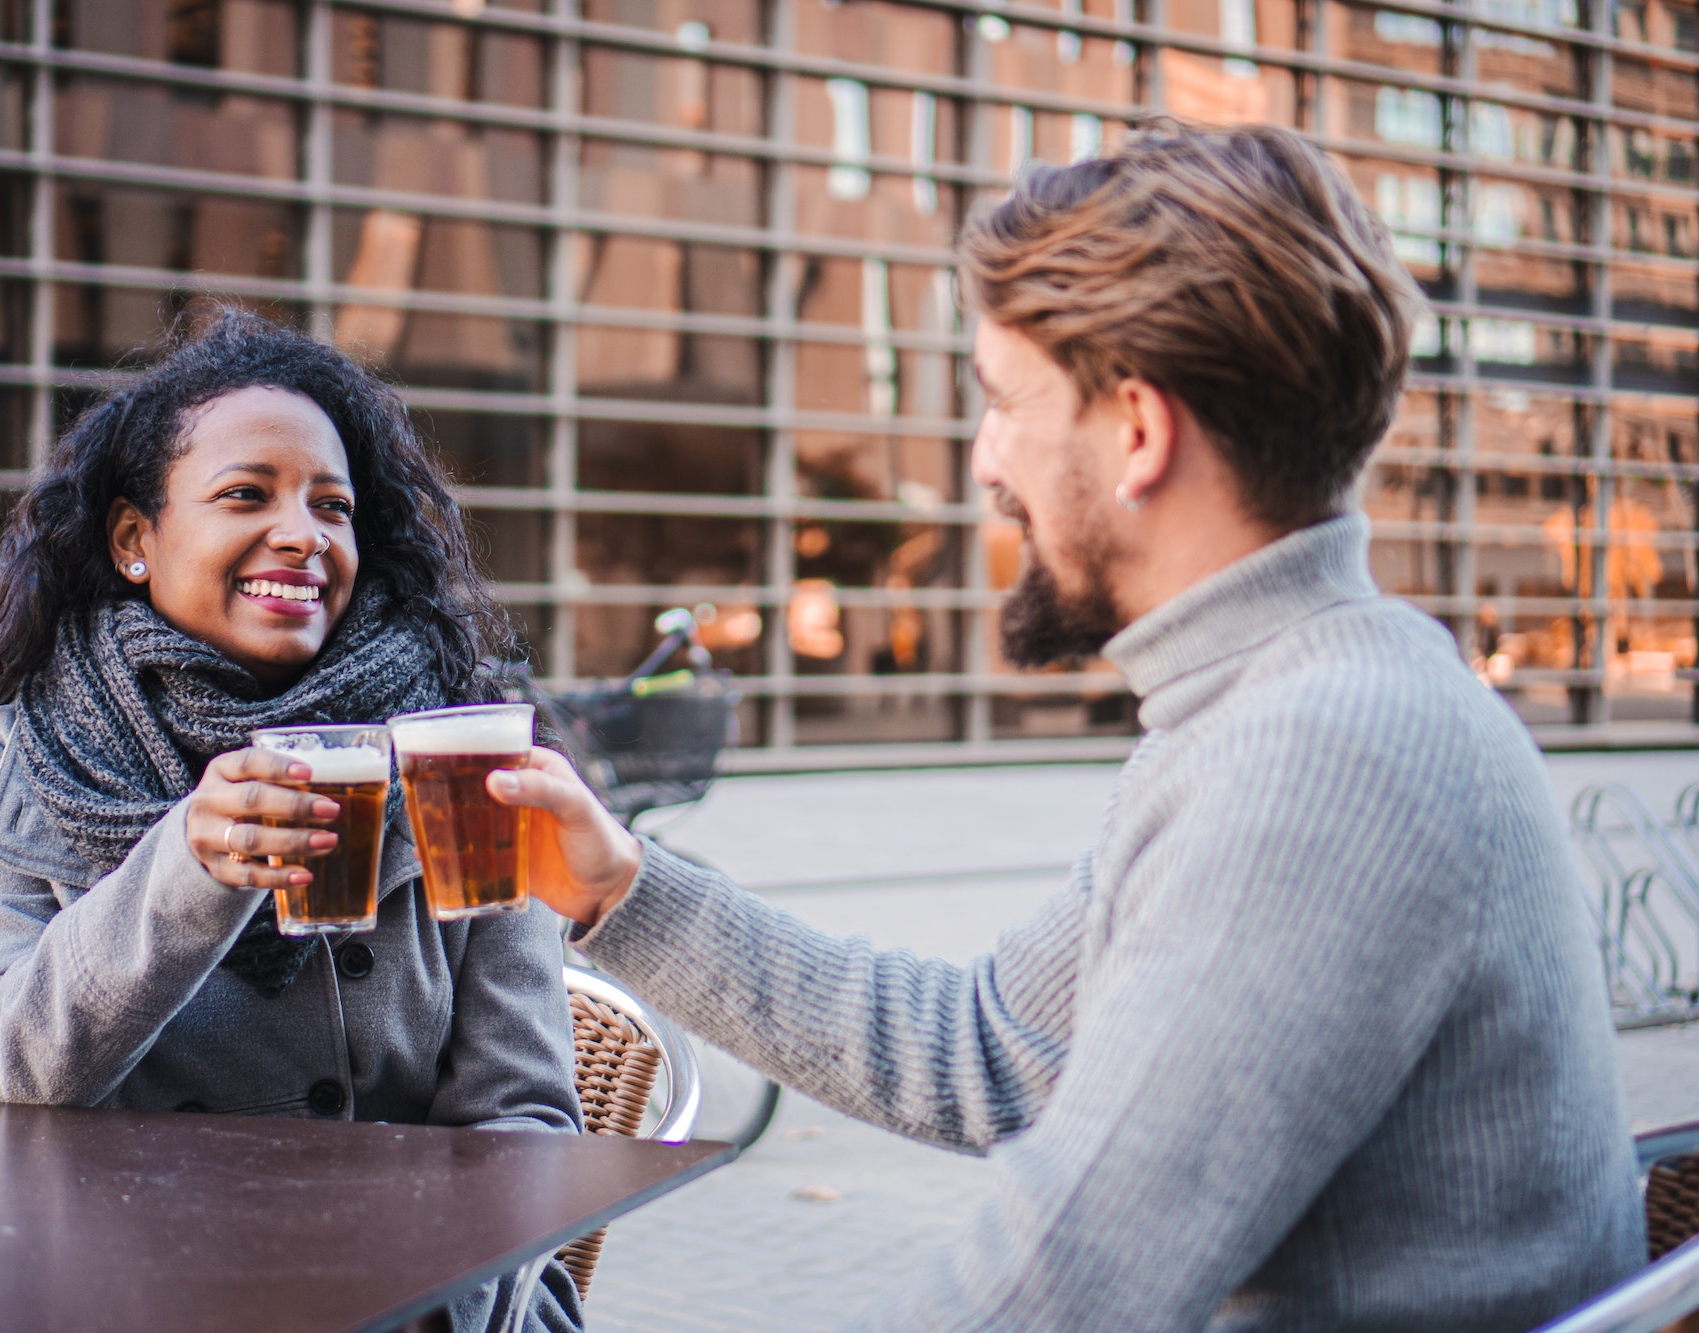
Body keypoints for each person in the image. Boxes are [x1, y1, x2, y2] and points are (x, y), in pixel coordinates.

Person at [485, 124, 1646, 1330]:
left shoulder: (1322, 755)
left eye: (1000, 401)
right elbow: (989, 1050)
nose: (985, 462)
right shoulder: (1282, 702)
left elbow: (1060, 1292)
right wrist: (624, 889)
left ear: (1135, 431)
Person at [0, 309, 583, 1333]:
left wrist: (450, 1302)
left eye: (334, 505)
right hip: (131, 1294)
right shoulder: (13, 758)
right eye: (247, 495)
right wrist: (188, 867)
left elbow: (521, 1114)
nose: (302, 533)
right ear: (134, 538)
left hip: (429, 1303)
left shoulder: (460, 747)